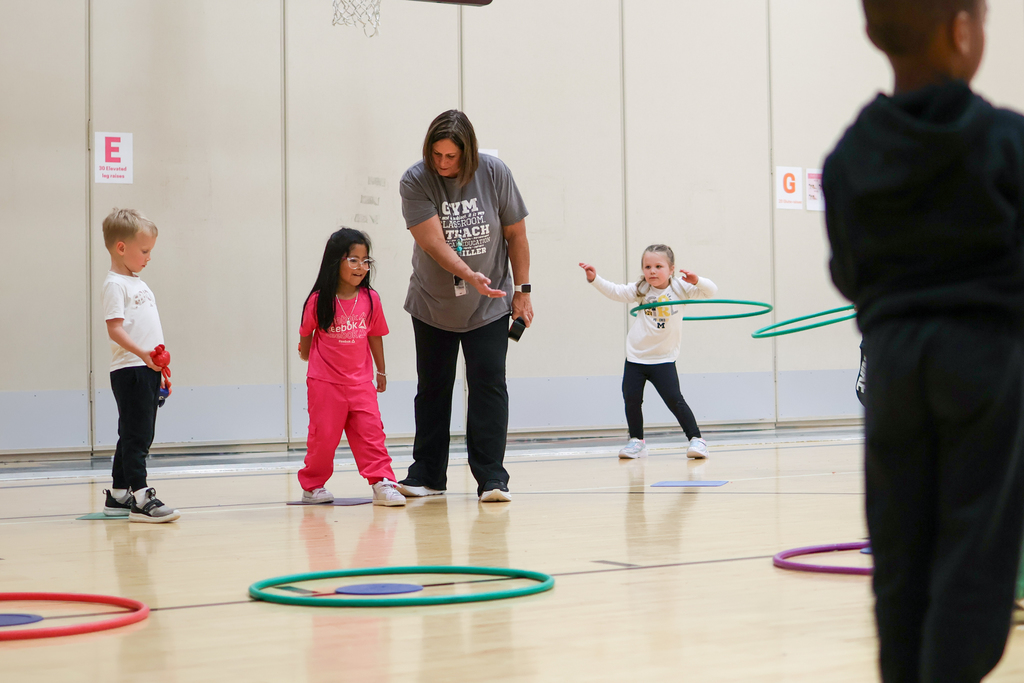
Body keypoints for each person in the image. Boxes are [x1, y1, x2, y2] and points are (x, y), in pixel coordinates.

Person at [824, 1, 1024, 679]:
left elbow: (848, 272)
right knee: (976, 543)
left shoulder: (851, 152)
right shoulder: (1006, 140)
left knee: (900, 539)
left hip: (894, 365)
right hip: (985, 362)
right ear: (961, 31)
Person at [397, 109, 532, 503]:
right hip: (432, 303)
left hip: (489, 305)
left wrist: (522, 291)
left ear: (468, 152)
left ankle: (492, 478)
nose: (442, 163)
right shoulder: (415, 179)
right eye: (436, 155)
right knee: (433, 388)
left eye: (451, 156)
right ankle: (427, 474)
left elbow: (516, 234)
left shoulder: (494, 173)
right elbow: (433, 243)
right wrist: (469, 274)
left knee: (489, 385)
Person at [297, 228, 405, 507]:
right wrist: (308, 359)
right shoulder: (319, 300)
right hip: (325, 384)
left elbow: (375, 335)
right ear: (336, 261)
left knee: (371, 434)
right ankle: (313, 486)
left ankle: (382, 481)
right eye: (353, 260)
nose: (361, 267)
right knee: (323, 438)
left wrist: (381, 372)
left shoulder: (371, 299)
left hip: (361, 384)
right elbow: (306, 335)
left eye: (366, 260)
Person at [579, 245, 717, 460]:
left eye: (658, 266)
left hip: (663, 358)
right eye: (647, 266)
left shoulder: (681, 288)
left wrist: (697, 280)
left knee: (674, 399)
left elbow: (711, 292)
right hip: (637, 357)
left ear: (671, 269)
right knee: (631, 399)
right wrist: (594, 278)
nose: (652, 271)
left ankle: (697, 440)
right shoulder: (641, 289)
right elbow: (615, 291)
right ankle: (637, 441)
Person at [100, 208, 180, 523]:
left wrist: (157, 368)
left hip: (145, 369)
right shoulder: (115, 284)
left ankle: (119, 495)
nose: (149, 257)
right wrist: (144, 355)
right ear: (122, 248)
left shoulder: (137, 283)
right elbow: (114, 328)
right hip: (130, 370)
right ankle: (141, 495)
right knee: (138, 436)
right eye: (144, 251)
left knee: (134, 432)